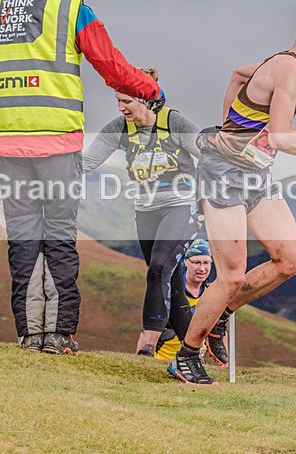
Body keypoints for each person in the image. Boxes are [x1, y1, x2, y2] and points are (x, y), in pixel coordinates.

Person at [0, 0, 164, 355]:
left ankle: (29, 334)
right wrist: (149, 89)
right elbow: (111, 65)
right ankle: (57, 335)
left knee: (22, 238)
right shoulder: (73, 8)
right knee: (58, 236)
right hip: (56, 142)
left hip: (8, 143)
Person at [168, 0, 296, 385]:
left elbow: (236, 74)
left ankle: (220, 318)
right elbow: (281, 136)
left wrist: (228, 124)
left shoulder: (279, 65)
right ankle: (185, 356)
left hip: (255, 176)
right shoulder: (290, 71)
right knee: (231, 275)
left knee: (290, 259)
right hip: (223, 175)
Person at [81, 68, 214, 359]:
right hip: (145, 211)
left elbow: (208, 154)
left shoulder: (173, 122)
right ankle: (197, 350)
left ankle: (147, 347)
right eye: (117, 100)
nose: (120, 107)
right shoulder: (119, 127)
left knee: (158, 270)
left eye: (126, 101)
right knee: (172, 283)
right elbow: (87, 161)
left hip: (180, 206)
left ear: (145, 98)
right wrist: (44, 158)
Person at [152, 239, 213, 362]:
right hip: (162, 360)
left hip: (195, 361)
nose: (202, 268)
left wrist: (225, 363)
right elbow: (151, 327)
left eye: (206, 263)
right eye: (196, 262)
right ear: (185, 261)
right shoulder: (169, 290)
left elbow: (221, 331)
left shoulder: (212, 292)